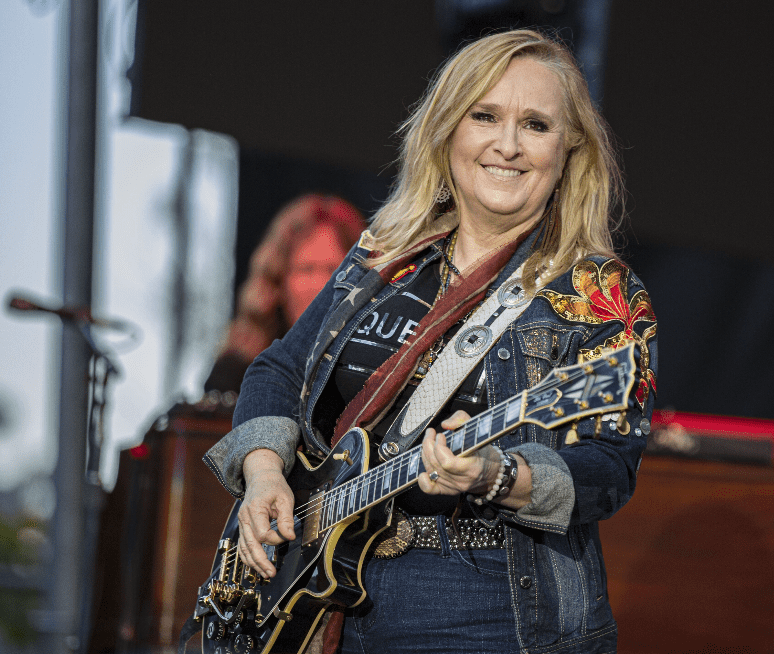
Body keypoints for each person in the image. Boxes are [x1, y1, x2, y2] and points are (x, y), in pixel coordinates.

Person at [204, 29, 658, 654]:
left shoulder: (599, 290)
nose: (507, 144)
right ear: (448, 130)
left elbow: (610, 470)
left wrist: (497, 475)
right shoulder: (382, 257)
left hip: (491, 611)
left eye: (535, 125)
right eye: (485, 116)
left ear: (568, 148)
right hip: (321, 599)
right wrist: (262, 475)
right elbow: (279, 368)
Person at [202, 194, 366, 394]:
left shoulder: (375, 368)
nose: (321, 285)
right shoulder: (239, 372)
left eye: (333, 270)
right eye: (306, 269)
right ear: (278, 282)